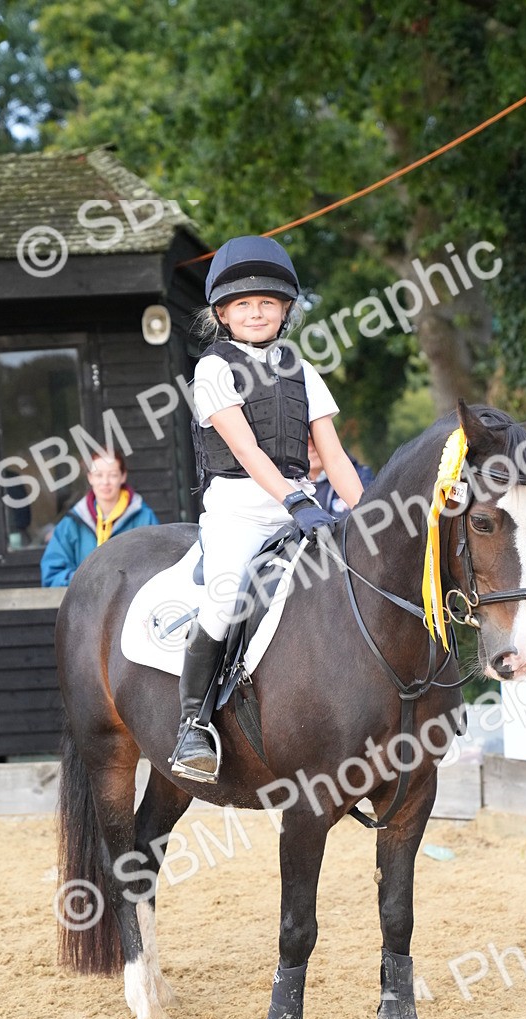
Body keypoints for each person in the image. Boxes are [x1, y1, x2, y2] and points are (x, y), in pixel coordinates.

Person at [169, 234, 367, 783]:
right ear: (223, 314)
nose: (256, 312)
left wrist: (372, 515)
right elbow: (246, 448)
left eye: (267, 303)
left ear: (284, 311)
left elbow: (335, 455)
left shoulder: (303, 372)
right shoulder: (212, 368)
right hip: (238, 509)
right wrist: (294, 499)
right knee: (227, 597)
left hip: (296, 508)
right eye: (243, 304)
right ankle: (194, 726)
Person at [40, 450, 158, 586]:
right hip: (83, 605)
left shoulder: (144, 518)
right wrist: (87, 580)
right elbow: (51, 577)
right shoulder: (71, 523)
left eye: (113, 475)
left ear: (123, 476)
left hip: (131, 605)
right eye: (98, 475)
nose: (105, 482)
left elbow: (157, 571)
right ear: (90, 478)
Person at [308, 433, 374, 516]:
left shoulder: (360, 476)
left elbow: (367, 515)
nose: (310, 449)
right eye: (305, 443)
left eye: (314, 442)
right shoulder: (294, 488)